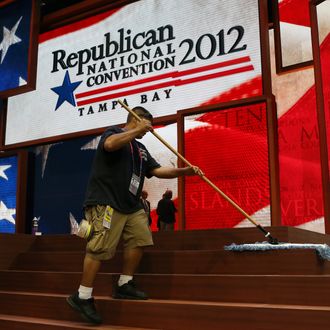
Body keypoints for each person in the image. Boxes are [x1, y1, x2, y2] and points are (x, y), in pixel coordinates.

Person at [66, 106, 203, 325]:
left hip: (131, 205)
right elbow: (110, 145)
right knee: (98, 247)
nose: (147, 131)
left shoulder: (140, 149)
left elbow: (157, 171)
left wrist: (184, 172)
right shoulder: (112, 133)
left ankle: (125, 284)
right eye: (145, 125)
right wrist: (136, 129)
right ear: (135, 120)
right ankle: (82, 296)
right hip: (106, 201)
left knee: (141, 238)